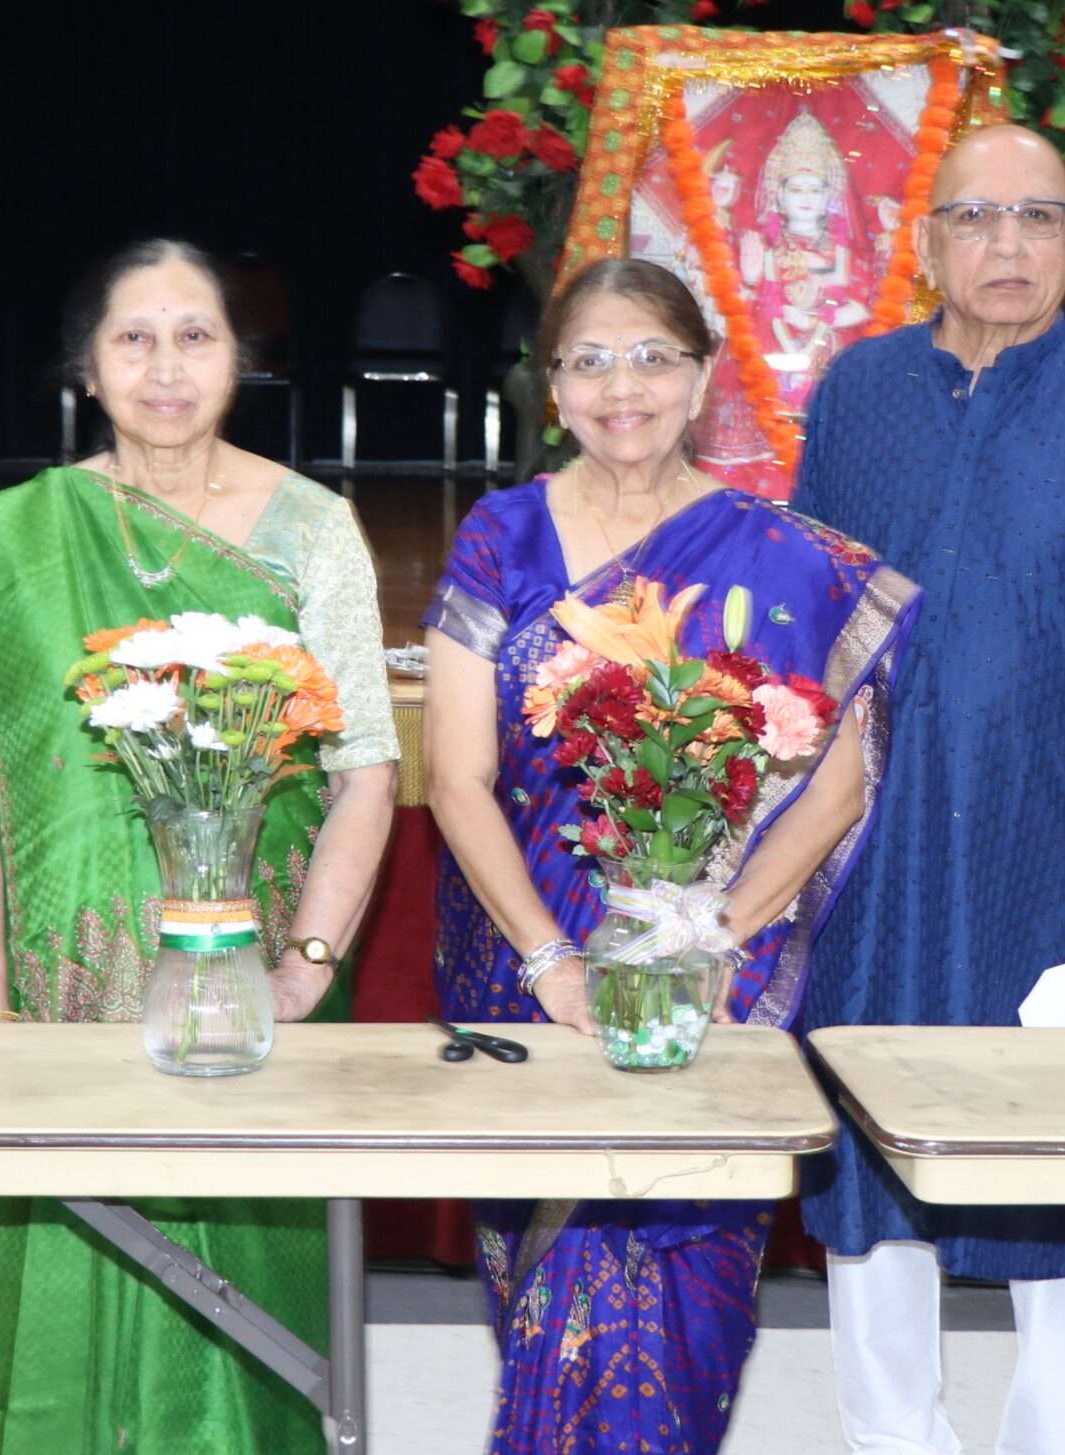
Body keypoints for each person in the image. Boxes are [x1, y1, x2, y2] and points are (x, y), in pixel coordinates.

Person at [423, 257, 919, 1454]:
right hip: (526, 984)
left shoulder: (782, 554)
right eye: (588, 360)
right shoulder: (501, 535)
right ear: (552, 387)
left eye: (651, 356)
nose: (621, 386)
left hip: (707, 1003)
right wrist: (553, 964)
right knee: (551, 1306)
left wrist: (716, 932)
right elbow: (453, 778)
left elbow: (847, 765)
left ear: (703, 379)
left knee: (676, 1324)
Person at [0, 239, 399, 1453]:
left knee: (246, 1325)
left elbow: (367, 774)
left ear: (242, 361)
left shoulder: (312, 530)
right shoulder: (16, 540)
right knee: (46, 1320)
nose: (165, 367)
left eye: (197, 336)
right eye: (135, 337)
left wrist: (307, 963)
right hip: (52, 982)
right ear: (87, 362)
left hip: (244, 997)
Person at [790, 125, 1065, 1455]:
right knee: (867, 1167)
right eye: (976, 218)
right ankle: (889, 1437)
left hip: (1061, 857)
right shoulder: (857, 394)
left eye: (1039, 218)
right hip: (877, 863)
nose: (1009, 247)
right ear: (926, 245)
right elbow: (817, 622)